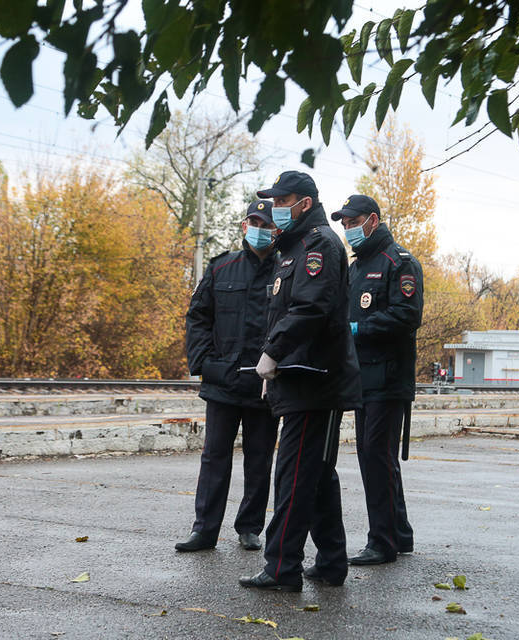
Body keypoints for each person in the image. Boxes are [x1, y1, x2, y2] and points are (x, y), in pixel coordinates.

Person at [238, 170, 362, 591]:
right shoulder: (292, 249)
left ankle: (281, 568)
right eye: (273, 201)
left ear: (304, 204)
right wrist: (273, 363)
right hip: (300, 379)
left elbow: (309, 309)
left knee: (294, 477)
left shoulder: (318, 245)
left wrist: (272, 352)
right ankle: (331, 563)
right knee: (318, 475)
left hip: (315, 382)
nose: (275, 208)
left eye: (282, 200)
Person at [177, 200, 280, 553]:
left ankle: (249, 527)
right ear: (243, 225)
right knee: (214, 458)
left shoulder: (287, 269)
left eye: (265, 223)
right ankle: (204, 530)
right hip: (223, 381)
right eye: (253, 221)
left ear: (276, 229)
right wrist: (205, 363)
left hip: (265, 384)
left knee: (259, 459)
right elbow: (198, 317)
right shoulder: (222, 267)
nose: (259, 228)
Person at [332, 194, 424, 565]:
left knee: (376, 457)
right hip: (362, 379)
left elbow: (407, 316)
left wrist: (358, 328)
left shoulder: (399, 263)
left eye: (353, 223)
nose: (347, 229)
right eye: (344, 224)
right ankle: (399, 533)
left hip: (388, 377)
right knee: (378, 458)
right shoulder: (355, 268)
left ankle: (382, 541)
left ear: (372, 220)